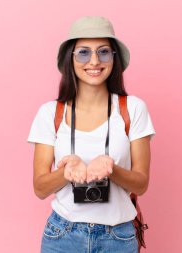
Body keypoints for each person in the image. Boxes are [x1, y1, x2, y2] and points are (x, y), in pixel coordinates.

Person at [27, 16, 156, 253]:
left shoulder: (133, 109)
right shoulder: (49, 113)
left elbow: (142, 183)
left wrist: (112, 169)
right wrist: (65, 172)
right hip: (62, 235)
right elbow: (40, 188)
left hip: (117, 237)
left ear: (114, 58)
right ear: (71, 58)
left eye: (103, 52)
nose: (94, 61)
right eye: (84, 53)